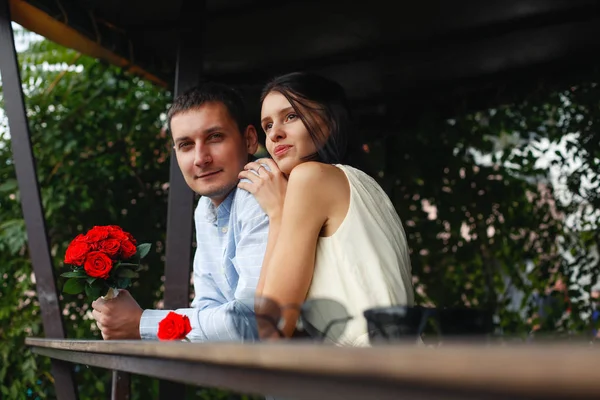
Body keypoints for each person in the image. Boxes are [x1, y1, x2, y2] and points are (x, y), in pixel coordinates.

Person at [238, 72, 414, 346]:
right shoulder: (366, 185)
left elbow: (271, 326)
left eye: (291, 116)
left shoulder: (310, 178)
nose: (274, 134)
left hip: (372, 374)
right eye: (267, 125)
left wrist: (277, 212)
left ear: (330, 121)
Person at [91, 82, 270, 341]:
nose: (200, 158)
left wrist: (142, 323)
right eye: (186, 144)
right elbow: (208, 307)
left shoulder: (260, 192)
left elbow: (253, 321)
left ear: (250, 140)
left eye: (214, 137)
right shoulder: (206, 207)